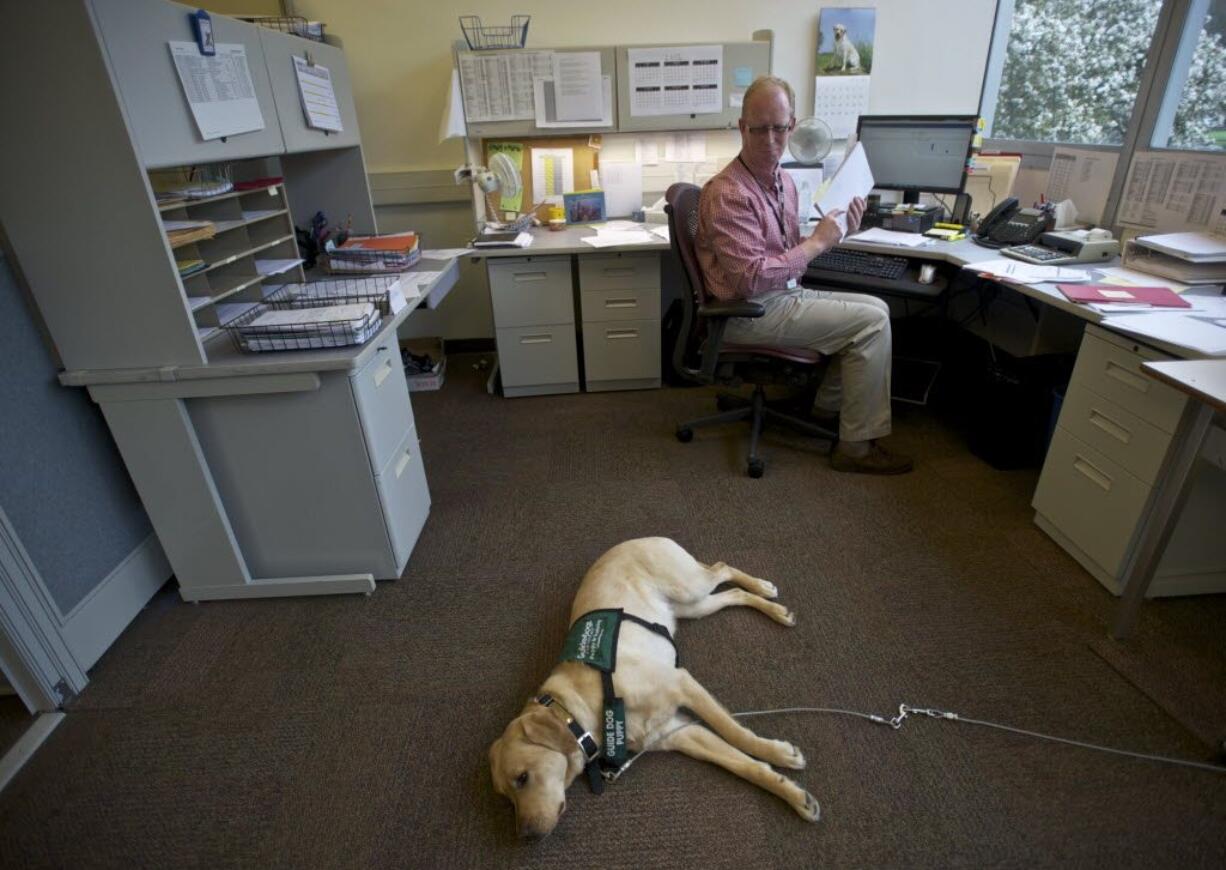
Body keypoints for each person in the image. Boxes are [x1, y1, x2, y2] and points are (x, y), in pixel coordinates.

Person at [695, 75, 912, 475]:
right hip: (745, 313)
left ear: (792, 126)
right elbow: (750, 279)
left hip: (781, 296)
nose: (770, 139)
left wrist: (843, 229)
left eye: (779, 128)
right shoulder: (729, 192)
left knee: (877, 307)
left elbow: (787, 251)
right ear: (742, 127)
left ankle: (826, 411)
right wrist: (815, 244)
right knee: (870, 323)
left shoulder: (784, 182)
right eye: (759, 129)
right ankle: (855, 447)